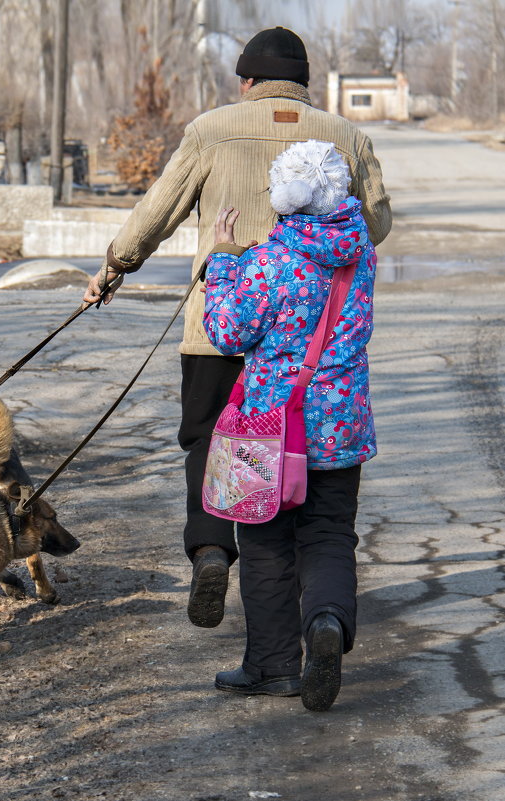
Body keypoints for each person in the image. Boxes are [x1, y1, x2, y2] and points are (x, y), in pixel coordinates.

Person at [82, 27, 391, 630]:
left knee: (207, 438)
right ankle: (312, 600)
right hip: (312, 337)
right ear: (304, 84)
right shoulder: (346, 136)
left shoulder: (211, 129)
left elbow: (159, 210)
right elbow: (374, 223)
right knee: (306, 466)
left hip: (220, 323)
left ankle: (211, 550)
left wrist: (114, 267)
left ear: (245, 81)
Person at [203, 139, 376, 711]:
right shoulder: (361, 252)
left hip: (268, 429)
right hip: (340, 428)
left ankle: (273, 666)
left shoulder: (269, 263)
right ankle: (325, 621)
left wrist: (224, 256)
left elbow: (226, 333)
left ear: (285, 197)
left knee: (264, 543)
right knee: (329, 535)